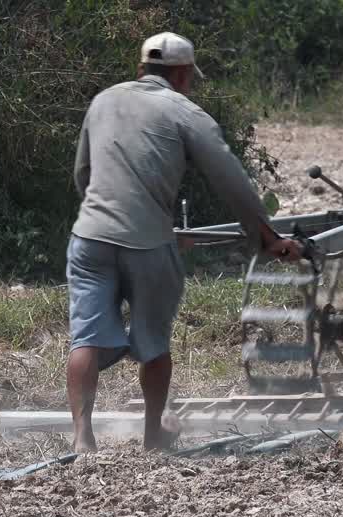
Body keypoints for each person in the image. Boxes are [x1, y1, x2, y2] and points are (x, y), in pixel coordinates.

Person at [66, 31, 302, 453]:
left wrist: (108, 218)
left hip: (89, 239)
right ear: (181, 73)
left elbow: (83, 173)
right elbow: (230, 179)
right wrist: (266, 237)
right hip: (148, 246)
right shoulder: (184, 110)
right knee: (153, 341)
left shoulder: (102, 100)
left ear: (141, 68)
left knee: (85, 338)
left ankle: (83, 439)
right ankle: (154, 437)